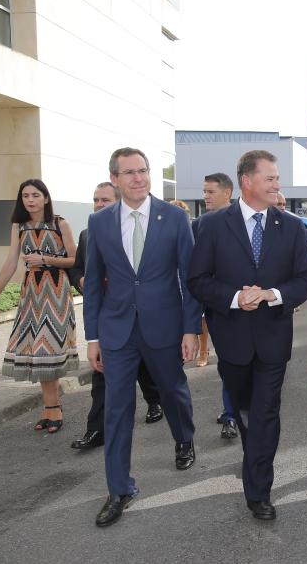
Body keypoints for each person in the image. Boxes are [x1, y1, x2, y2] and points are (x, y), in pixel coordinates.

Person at [188, 150, 307, 521]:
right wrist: (234, 298)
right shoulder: (211, 226)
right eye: (271, 178)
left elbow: (305, 279)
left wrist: (271, 295)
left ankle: (258, 489)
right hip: (233, 342)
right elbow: (197, 280)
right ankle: (254, 454)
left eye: (277, 178)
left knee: (265, 412)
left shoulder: (293, 227)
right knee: (245, 411)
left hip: (274, 338)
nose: (278, 185)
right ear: (247, 182)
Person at [84, 147, 201, 528]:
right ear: (114, 179)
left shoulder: (175, 218)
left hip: (164, 327)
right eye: (129, 173)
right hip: (117, 332)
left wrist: (189, 329)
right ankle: (120, 489)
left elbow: (190, 278)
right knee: (117, 411)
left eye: (144, 171)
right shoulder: (99, 223)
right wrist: (92, 337)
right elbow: (95, 288)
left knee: (172, 391)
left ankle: (184, 437)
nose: (139, 178)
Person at [68, 182, 163, 451]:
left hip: (140, 312)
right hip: (107, 317)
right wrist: (81, 280)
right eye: (95, 199)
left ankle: (155, 400)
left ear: (119, 202)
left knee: (145, 364)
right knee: (102, 374)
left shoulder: (140, 229)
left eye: (105, 200)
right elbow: (76, 269)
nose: (99, 204)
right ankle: (96, 430)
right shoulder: (88, 234)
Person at [0, 179, 79, 433]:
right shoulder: (19, 226)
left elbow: (74, 259)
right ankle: (50, 408)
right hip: (31, 294)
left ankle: (53, 408)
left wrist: (45, 258)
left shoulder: (60, 223)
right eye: (25, 195)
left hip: (56, 291)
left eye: (35, 195)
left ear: (45, 198)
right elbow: (11, 263)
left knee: (48, 348)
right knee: (38, 351)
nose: (30, 199)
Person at [192, 172, 239, 440]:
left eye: (210, 191)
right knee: (227, 365)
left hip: (244, 305)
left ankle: (235, 412)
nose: (206, 196)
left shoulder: (244, 221)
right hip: (215, 306)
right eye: (204, 191)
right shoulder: (199, 225)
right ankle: (231, 412)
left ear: (227, 192)